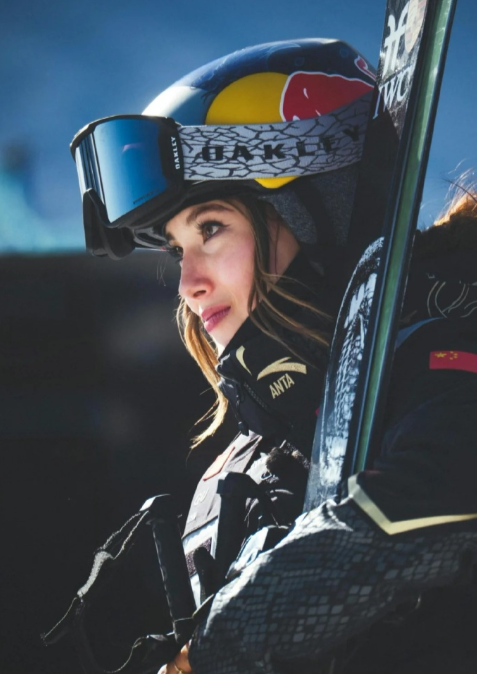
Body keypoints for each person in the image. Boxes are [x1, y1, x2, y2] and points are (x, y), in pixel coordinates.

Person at [70, 39, 477, 674]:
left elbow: (428, 499)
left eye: (210, 229)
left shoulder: (444, 355)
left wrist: (218, 645)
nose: (188, 284)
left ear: (317, 213)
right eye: (177, 250)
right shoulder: (247, 465)